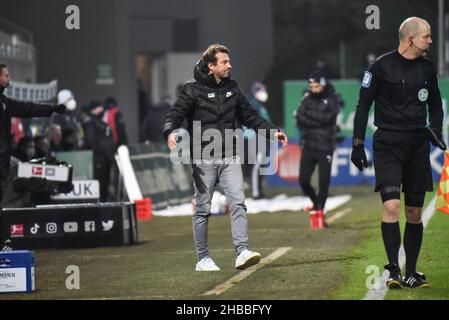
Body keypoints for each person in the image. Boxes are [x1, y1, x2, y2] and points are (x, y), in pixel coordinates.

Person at [162, 44, 288, 271]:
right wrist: (170, 130)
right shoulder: (191, 89)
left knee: (238, 203)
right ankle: (203, 258)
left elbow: (249, 115)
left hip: (230, 155)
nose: (229, 65)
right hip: (203, 158)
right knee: (202, 209)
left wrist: (271, 131)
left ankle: (242, 252)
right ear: (211, 67)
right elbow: (176, 113)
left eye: (229, 61)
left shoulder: (233, 88)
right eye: (224, 62)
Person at [351, 17, 443, 289]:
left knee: (414, 211)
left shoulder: (428, 68)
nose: (430, 40)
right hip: (388, 143)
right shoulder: (380, 67)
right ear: (410, 39)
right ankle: (393, 269)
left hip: (417, 144)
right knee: (391, 206)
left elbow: (436, 105)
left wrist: (435, 128)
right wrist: (357, 143)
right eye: (426, 36)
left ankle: (412, 272)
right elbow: (362, 105)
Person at [0, 63, 66, 248]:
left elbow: (27, 108)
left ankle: (5, 242)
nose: (9, 78)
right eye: (5, 75)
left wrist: (51, 108)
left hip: (4, 161)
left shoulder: (4, 102)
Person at [295, 71, 340, 229]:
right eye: (311, 86)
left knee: (323, 182)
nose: (313, 89)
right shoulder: (306, 98)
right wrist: (318, 119)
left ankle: (320, 211)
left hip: (325, 145)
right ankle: (316, 203)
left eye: (316, 86)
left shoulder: (332, 98)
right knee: (303, 180)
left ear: (323, 85)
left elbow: (329, 118)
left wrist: (310, 117)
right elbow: (299, 117)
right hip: (309, 144)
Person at [84, 101, 116, 202]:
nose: (102, 110)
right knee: (100, 182)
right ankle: (99, 203)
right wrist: (103, 151)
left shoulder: (101, 122)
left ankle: (104, 201)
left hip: (107, 157)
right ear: (93, 109)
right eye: (99, 108)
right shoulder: (91, 122)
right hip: (98, 158)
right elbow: (91, 140)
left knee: (106, 183)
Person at [248, 82, 272, 199]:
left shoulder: (260, 105)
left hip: (263, 136)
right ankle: (256, 192)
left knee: (261, 163)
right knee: (257, 164)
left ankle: (259, 191)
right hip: (256, 137)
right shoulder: (253, 104)